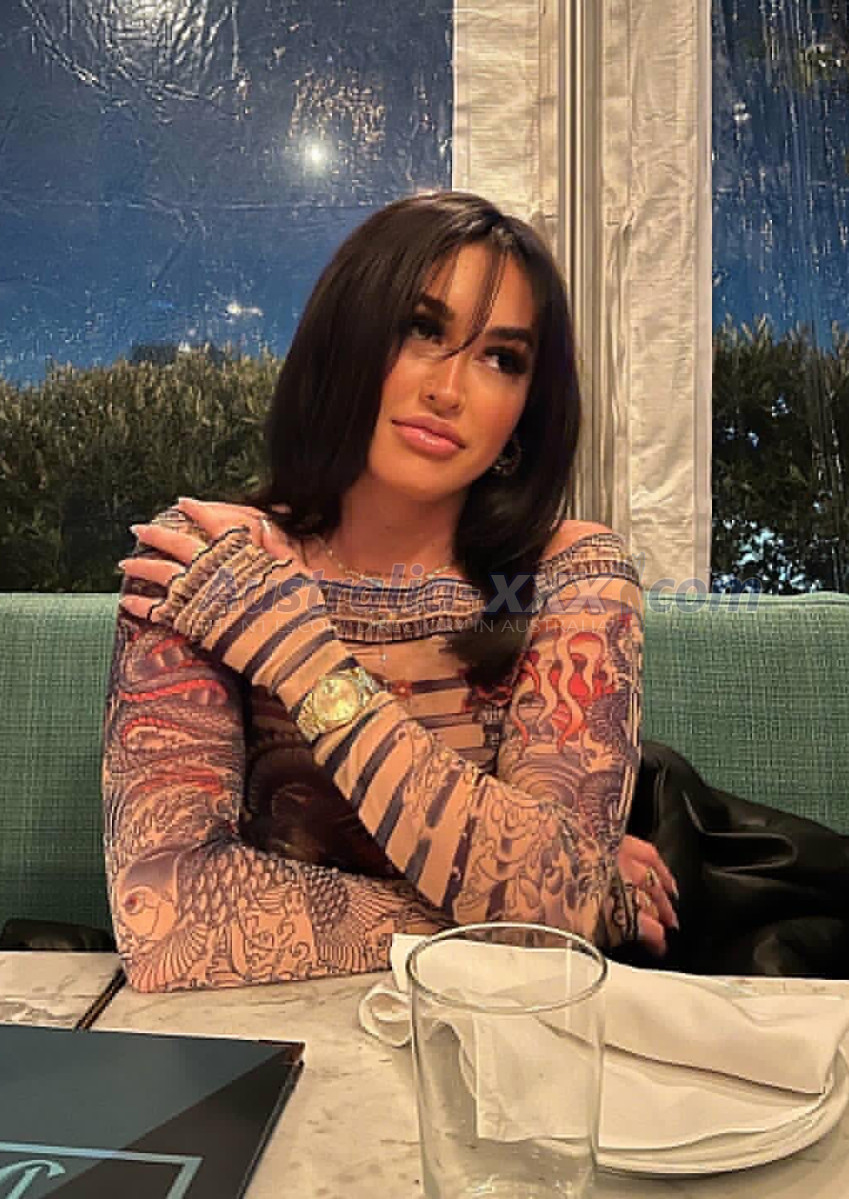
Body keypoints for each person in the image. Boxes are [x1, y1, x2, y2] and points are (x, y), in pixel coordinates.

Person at [105, 191, 678, 991]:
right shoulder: (211, 562)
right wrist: (534, 908)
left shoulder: (570, 574)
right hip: (262, 1031)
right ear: (347, 334)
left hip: (497, 1032)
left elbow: (559, 901)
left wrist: (299, 654)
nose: (449, 389)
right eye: (422, 329)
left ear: (525, 410)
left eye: (501, 359)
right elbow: (166, 922)